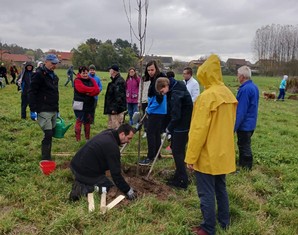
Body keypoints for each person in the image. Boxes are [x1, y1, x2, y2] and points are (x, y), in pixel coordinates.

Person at [185, 55, 238, 235]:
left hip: (208, 154)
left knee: (206, 192)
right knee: (220, 188)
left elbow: (198, 131)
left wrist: (191, 157)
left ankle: (208, 228)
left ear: (205, 75)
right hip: (224, 152)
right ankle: (224, 221)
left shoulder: (206, 97)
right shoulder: (229, 94)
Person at [69, 123, 137, 201]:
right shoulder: (112, 147)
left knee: (103, 178)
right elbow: (116, 175)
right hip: (83, 171)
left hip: (76, 164)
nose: (129, 142)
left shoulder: (110, 133)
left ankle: (82, 181)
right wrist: (127, 190)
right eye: (129, 138)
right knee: (108, 187)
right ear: (122, 134)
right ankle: (82, 190)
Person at [155, 74, 193, 189]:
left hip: (182, 126)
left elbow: (176, 115)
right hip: (180, 125)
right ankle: (178, 175)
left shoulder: (176, 93)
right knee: (178, 152)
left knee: (177, 152)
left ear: (166, 85)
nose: (163, 93)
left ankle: (182, 181)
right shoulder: (174, 88)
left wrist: (169, 128)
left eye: (162, 91)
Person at [28, 54, 60, 161]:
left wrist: (57, 110)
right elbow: (32, 92)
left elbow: (56, 94)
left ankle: (48, 154)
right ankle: (46, 158)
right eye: (52, 63)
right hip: (43, 108)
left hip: (53, 108)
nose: (54, 65)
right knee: (48, 133)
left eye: (55, 63)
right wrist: (33, 109)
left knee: (52, 132)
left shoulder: (55, 77)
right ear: (46, 62)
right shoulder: (38, 75)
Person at [139, 60, 167, 166]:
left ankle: (150, 157)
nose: (150, 72)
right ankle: (157, 155)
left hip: (157, 111)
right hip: (158, 111)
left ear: (156, 69)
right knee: (156, 134)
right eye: (148, 70)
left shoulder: (159, 80)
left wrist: (149, 109)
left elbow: (159, 98)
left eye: (152, 69)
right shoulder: (153, 79)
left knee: (150, 133)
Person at [234, 65, 259, 170]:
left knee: (244, 146)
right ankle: (242, 164)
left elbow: (241, 111)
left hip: (245, 124)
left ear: (242, 76)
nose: (237, 77)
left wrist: (234, 127)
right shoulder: (254, 87)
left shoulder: (245, 90)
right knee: (244, 144)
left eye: (238, 75)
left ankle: (246, 167)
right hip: (251, 122)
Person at [73, 66, 100, 141]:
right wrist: (91, 91)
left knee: (87, 122)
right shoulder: (77, 80)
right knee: (79, 121)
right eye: (83, 73)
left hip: (89, 104)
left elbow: (97, 90)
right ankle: (78, 139)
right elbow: (81, 89)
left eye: (86, 73)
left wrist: (88, 92)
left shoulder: (92, 80)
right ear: (80, 73)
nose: (85, 75)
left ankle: (87, 138)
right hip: (79, 104)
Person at [104, 64, 127, 129]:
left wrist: (115, 109)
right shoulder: (114, 81)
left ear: (114, 71)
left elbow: (119, 97)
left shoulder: (119, 82)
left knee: (116, 128)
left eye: (110, 70)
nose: (109, 71)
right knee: (111, 127)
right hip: (112, 109)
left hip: (116, 110)